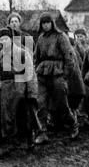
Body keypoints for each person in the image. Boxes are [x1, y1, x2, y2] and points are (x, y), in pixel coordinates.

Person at [0, 27, 38, 157]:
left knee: (25, 116)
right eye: (1, 39)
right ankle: (3, 145)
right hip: (3, 90)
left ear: (11, 39)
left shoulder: (23, 53)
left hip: (20, 89)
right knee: (0, 118)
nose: (4, 41)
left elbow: (30, 74)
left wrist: (31, 93)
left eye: (6, 38)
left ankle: (29, 140)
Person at [33, 12, 80, 143]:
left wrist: (65, 75)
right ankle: (42, 132)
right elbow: (36, 57)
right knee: (41, 103)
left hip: (58, 74)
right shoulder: (41, 38)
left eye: (48, 22)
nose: (46, 25)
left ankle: (73, 125)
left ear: (52, 23)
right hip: (42, 74)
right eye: (43, 23)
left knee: (61, 104)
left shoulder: (61, 37)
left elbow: (69, 57)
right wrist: (37, 69)